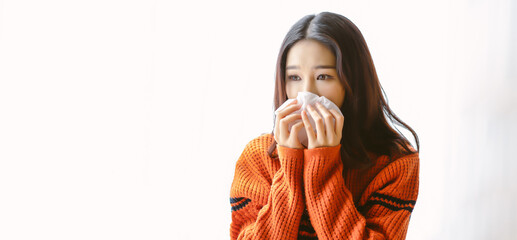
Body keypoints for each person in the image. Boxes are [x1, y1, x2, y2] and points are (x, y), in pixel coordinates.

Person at [229, 11, 420, 240]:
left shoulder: (394, 162)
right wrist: (290, 163)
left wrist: (323, 165)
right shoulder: (258, 158)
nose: (306, 92)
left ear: (353, 82)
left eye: (323, 77)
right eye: (294, 78)